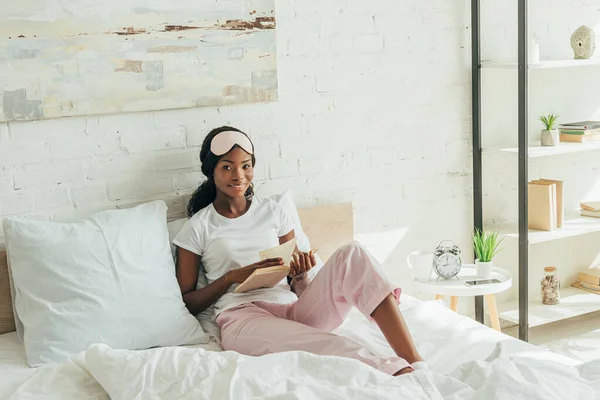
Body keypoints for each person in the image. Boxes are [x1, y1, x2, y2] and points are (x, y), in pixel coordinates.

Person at [173, 126, 425, 376]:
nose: (238, 175)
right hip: (243, 318)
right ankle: (395, 372)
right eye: (227, 167)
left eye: (246, 166)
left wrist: (301, 276)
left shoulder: (273, 211)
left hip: (292, 310)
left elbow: (295, 284)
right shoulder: (198, 227)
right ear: (211, 171)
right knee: (322, 344)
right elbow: (188, 302)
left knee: (352, 253)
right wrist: (230, 277)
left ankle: (415, 361)